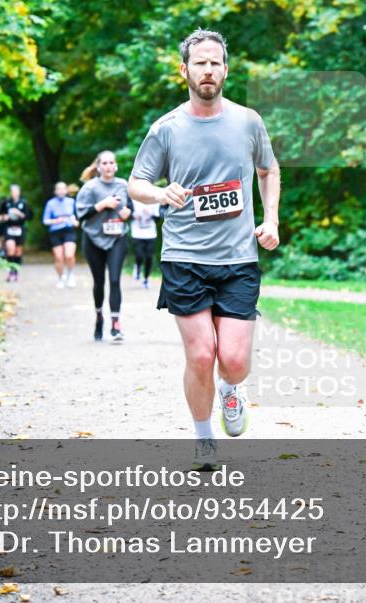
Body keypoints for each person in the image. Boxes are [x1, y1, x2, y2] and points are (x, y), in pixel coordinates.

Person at [128, 29, 280, 470]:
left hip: (237, 259)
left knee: (232, 361)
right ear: (185, 71)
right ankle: (203, 439)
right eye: (200, 63)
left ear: (225, 70)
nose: (208, 70)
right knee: (200, 354)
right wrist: (161, 194)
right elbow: (136, 184)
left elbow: (268, 170)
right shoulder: (167, 128)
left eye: (215, 63)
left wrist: (269, 220)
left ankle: (231, 391)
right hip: (184, 257)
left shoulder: (248, 121)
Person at [76, 151, 132, 342]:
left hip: (117, 237)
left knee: (115, 280)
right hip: (93, 239)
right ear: (98, 167)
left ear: (115, 166)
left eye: (111, 163)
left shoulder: (123, 185)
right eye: (104, 163)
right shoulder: (90, 187)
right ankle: (99, 317)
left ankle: (116, 325)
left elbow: (130, 208)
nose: (108, 166)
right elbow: (80, 215)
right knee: (99, 282)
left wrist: (127, 213)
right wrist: (102, 205)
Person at [42, 182, 78, 288]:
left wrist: (76, 222)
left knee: (69, 255)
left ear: (66, 190)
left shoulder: (72, 202)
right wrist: (56, 221)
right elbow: (45, 221)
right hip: (55, 232)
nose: (61, 191)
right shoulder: (50, 203)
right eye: (59, 189)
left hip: (69, 230)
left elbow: (77, 216)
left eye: (63, 189)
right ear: (55, 191)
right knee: (59, 257)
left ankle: (70, 275)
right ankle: (60, 278)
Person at [0, 184, 33, 282]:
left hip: (20, 228)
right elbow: (0, 214)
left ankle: (16, 272)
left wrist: (19, 213)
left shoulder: (24, 203)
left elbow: (29, 216)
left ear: (19, 192)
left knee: (18, 251)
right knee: (10, 249)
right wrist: (4, 217)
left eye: (16, 191)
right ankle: (11, 271)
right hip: (9, 228)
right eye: (12, 191)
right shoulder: (6, 203)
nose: (14, 193)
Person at [130, 198, 160, 289]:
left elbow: (158, 218)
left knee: (149, 257)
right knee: (139, 255)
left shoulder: (154, 200)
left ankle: (146, 279)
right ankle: (138, 267)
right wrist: (134, 215)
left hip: (150, 233)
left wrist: (150, 214)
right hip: (137, 232)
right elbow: (127, 213)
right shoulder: (134, 199)